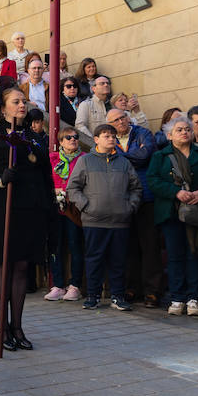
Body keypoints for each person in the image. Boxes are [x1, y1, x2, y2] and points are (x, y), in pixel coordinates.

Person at [0, 78, 48, 350]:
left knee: (22, 266)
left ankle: (17, 326)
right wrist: (1, 179)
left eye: (23, 101)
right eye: (16, 102)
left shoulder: (29, 134)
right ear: (2, 107)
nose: (21, 106)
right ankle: (2, 326)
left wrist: (32, 156)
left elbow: (42, 167)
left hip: (25, 206)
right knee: (3, 265)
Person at [67, 123, 142, 311]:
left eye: (113, 136)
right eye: (106, 136)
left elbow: (136, 188)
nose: (111, 139)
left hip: (120, 220)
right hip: (94, 220)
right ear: (96, 139)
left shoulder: (124, 163)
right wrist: (86, 206)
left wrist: (129, 207)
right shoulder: (85, 161)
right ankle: (93, 296)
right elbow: (73, 188)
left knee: (118, 260)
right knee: (94, 259)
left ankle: (117, 296)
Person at [147, 116, 198, 315]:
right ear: (169, 135)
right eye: (179, 130)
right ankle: (177, 298)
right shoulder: (160, 156)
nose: (185, 132)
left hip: (196, 212)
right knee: (174, 256)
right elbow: (153, 180)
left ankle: (193, 298)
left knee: (194, 254)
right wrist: (174, 192)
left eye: (187, 129)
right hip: (171, 212)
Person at [109, 109, 160, 307]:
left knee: (150, 247)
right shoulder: (109, 138)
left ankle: (152, 292)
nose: (120, 121)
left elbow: (146, 154)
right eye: (115, 120)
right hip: (122, 200)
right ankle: (132, 288)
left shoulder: (143, 133)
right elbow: (136, 157)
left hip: (146, 198)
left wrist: (120, 158)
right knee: (128, 247)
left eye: (122, 117)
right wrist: (134, 155)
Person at [46, 125, 84, 301]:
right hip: (55, 208)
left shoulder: (84, 158)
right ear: (61, 142)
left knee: (75, 245)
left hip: (74, 209)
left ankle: (75, 285)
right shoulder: (52, 159)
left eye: (75, 137)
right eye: (68, 137)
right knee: (56, 247)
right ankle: (58, 285)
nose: (73, 139)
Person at [75, 75, 113, 148]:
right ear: (93, 88)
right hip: (96, 148)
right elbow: (80, 126)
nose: (106, 85)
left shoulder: (113, 105)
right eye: (102, 83)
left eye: (107, 83)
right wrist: (94, 142)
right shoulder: (86, 105)